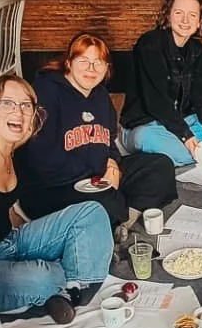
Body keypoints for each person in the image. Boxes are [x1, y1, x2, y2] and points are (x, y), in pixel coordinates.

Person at [0, 73, 114, 320]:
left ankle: (68, 291)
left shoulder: (12, 147)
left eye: (25, 105)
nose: (17, 112)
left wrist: (41, 239)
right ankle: (55, 289)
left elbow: (2, 208)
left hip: (9, 241)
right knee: (46, 276)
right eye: (7, 103)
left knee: (91, 212)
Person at [15, 34, 177, 234]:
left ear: (106, 68)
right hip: (53, 185)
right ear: (69, 62)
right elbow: (44, 159)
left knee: (160, 166)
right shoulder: (46, 92)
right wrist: (99, 176)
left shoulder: (100, 95)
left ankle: (122, 223)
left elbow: (109, 142)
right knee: (104, 201)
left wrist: (112, 164)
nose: (91, 69)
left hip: (96, 176)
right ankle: (117, 219)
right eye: (83, 61)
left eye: (98, 63)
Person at [120, 0, 202, 168]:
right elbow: (156, 102)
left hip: (178, 123)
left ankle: (185, 150)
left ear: (199, 21)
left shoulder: (197, 50)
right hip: (145, 126)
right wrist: (186, 135)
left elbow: (201, 93)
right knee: (144, 137)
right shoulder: (150, 44)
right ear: (168, 16)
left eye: (192, 15)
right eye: (179, 13)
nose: (185, 20)